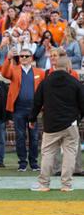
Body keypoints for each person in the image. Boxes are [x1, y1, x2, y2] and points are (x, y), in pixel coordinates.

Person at [29, 57, 84, 192]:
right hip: (70, 124)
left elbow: (37, 102)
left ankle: (44, 184)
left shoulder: (45, 82)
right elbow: (83, 104)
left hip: (51, 124)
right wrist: (78, 118)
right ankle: (66, 185)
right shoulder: (75, 82)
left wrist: (32, 119)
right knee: (70, 154)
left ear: (54, 66)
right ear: (68, 67)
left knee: (48, 154)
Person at [2, 48, 45, 172]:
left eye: (26, 56)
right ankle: (22, 163)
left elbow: (43, 90)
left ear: (31, 58)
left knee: (34, 137)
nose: (24, 58)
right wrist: (8, 58)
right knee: (20, 136)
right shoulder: (14, 70)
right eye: (22, 56)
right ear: (19, 58)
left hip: (34, 110)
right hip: (19, 109)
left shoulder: (39, 72)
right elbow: (4, 73)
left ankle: (34, 162)